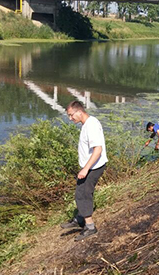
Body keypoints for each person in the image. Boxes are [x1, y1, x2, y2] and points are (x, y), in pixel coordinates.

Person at [61, 100, 107, 241]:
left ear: (79, 112)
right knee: (81, 192)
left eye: (71, 115)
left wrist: (86, 169)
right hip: (90, 166)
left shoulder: (91, 126)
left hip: (93, 167)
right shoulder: (87, 123)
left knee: (83, 195)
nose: (70, 118)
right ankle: (81, 218)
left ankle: (90, 227)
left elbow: (98, 150)